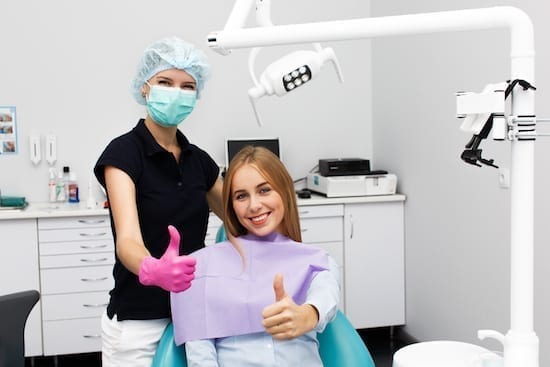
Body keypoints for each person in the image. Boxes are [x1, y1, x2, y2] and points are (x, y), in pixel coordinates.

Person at [93, 36, 223, 367]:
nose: (176, 92)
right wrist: (152, 268)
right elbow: (128, 240)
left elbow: (240, 217)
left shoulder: (200, 161)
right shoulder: (123, 153)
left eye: (187, 86)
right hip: (140, 320)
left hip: (192, 314)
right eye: (166, 82)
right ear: (145, 88)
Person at [170, 146, 341, 367]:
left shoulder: (316, 261)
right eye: (241, 196)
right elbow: (200, 356)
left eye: (264, 190)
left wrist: (306, 315)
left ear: (285, 190)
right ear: (231, 205)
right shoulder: (201, 267)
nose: (254, 205)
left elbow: (326, 296)